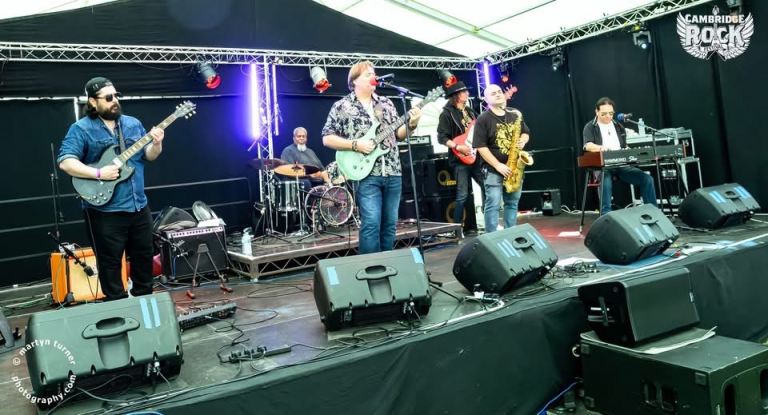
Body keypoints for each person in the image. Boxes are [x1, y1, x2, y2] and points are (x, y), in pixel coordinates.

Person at [58, 77, 165, 301]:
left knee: (144, 260)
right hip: (105, 211)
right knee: (110, 265)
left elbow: (149, 156)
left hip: (138, 206)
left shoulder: (132, 124)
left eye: (116, 95)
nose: (115, 100)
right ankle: (119, 310)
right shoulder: (81, 129)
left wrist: (156, 143)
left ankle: (145, 306)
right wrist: (99, 173)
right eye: (108, 97)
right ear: (92, 101)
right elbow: (66, 162)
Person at [322, 61, 422, 254]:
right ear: (355, 81)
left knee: (390, 224)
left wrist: (412, 124)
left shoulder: (386, 103)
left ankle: (387, 265)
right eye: (368, 74)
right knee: (371, 223)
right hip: (366, 173)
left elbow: (398, 135)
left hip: (392, 170)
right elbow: (327, 138)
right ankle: (371, 267)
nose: (373, 76)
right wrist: (355, 144)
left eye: (374, 73)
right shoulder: (342, 106)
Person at [582, 97, 657, 214]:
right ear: (596, 111)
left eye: (611, 113)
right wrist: (602, 148)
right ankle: (606, 216)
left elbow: (624, 145)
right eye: (604, 114)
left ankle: (653, 213)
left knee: (646, 179)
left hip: (621, 165)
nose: (608, 116)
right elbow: (587, 145)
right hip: (602, 167)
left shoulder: (618, 126)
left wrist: (631, 151)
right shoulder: (590, 126)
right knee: (605, 180)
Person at [473, 84, 530, 232]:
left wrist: (523, 140)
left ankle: (511, 233)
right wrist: (498, 165)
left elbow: (525, 132)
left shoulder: (514, 114)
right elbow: (480, 146)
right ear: (486, 99)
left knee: (512, 203)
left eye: (499, 91)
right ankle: (491, 237)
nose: (498, 94)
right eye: (493, 93)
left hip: (514, 167)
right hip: (493, 169)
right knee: (493, 203)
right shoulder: (483, 119)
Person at [437, 79, 481, 235]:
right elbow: (441, 137)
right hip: (459, 159)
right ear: (456, 95)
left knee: (486, 187)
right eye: (464, 92)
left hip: (475, 157)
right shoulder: (447, 114)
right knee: (462, 195)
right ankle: (456, 231)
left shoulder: (470, 111)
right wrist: (457, 146)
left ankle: (484, 225)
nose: (467, 93)